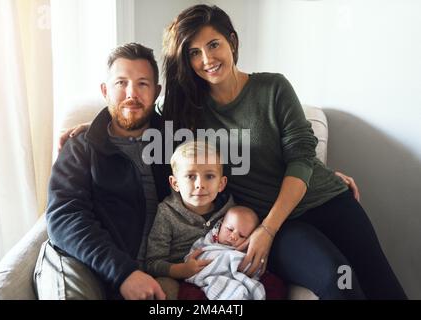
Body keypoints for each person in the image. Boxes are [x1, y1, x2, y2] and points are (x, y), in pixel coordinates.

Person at [58, 5, 406, 300]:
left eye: (213, 44)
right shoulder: (187, 112)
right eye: (194, 52)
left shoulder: (273, 87)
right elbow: (140, 117)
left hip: (325, 200)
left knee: (383, 284)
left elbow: (301, 156)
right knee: (336, 280)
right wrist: (95, 129)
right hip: (280, 225)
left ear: (232, 42)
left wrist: (309, 183)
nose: (206, 59)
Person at [34, 43, 172, 300]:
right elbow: (65, 215)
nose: (131, 93)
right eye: (121, 83)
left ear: (156, 92)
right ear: (105, 90)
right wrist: (123, 273)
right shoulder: (80, 147)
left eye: (143, 84)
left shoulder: (177, 143)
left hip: (165, 272)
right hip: (101, 270)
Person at [145, 140, 235, 288]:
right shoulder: (166, 213)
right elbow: (152, 262)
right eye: (190, 176)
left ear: (221, 184)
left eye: (209, 176)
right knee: (164, 288)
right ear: (175, 184)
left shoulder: (230, 212)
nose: (200, 184)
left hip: (221, 274)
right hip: (179, 277)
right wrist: (181, 270)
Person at [184, 205, 266, 300]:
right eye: (230, 229)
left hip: (233, 281)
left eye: (242, 236)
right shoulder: (206, 242)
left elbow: (254, 267)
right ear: (220, 225)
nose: (233, 236)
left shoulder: (244, 253)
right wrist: (188, 265)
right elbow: (190, 257)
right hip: (205, 280)